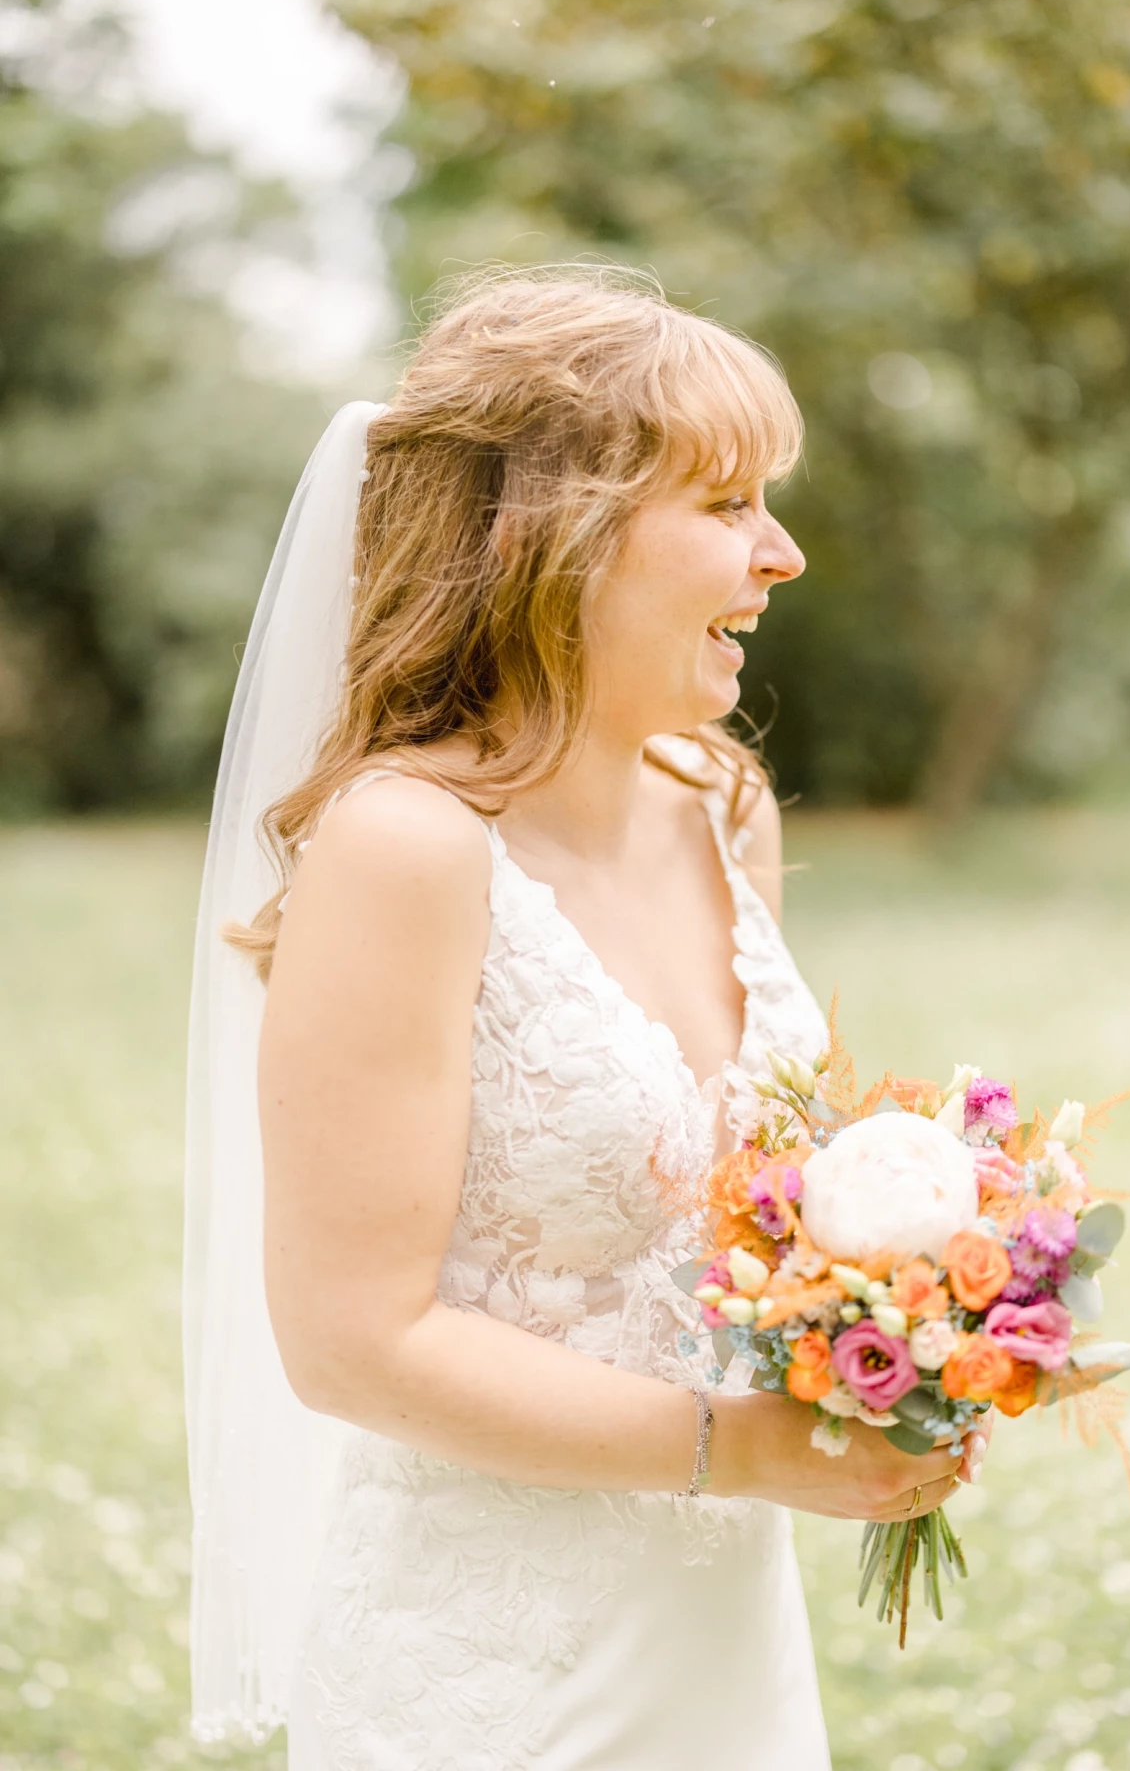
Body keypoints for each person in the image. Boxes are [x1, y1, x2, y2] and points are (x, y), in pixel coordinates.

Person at [186, 267, 981, 1771]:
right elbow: (355, 1342)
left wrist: (917, 1345)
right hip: (497, 1672)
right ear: (552, 535)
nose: (784, 553)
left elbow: (743, 1228)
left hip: (721, 1636)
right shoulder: (405, 847)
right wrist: (738, 1449)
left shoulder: (723, 805)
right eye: (730, 503)